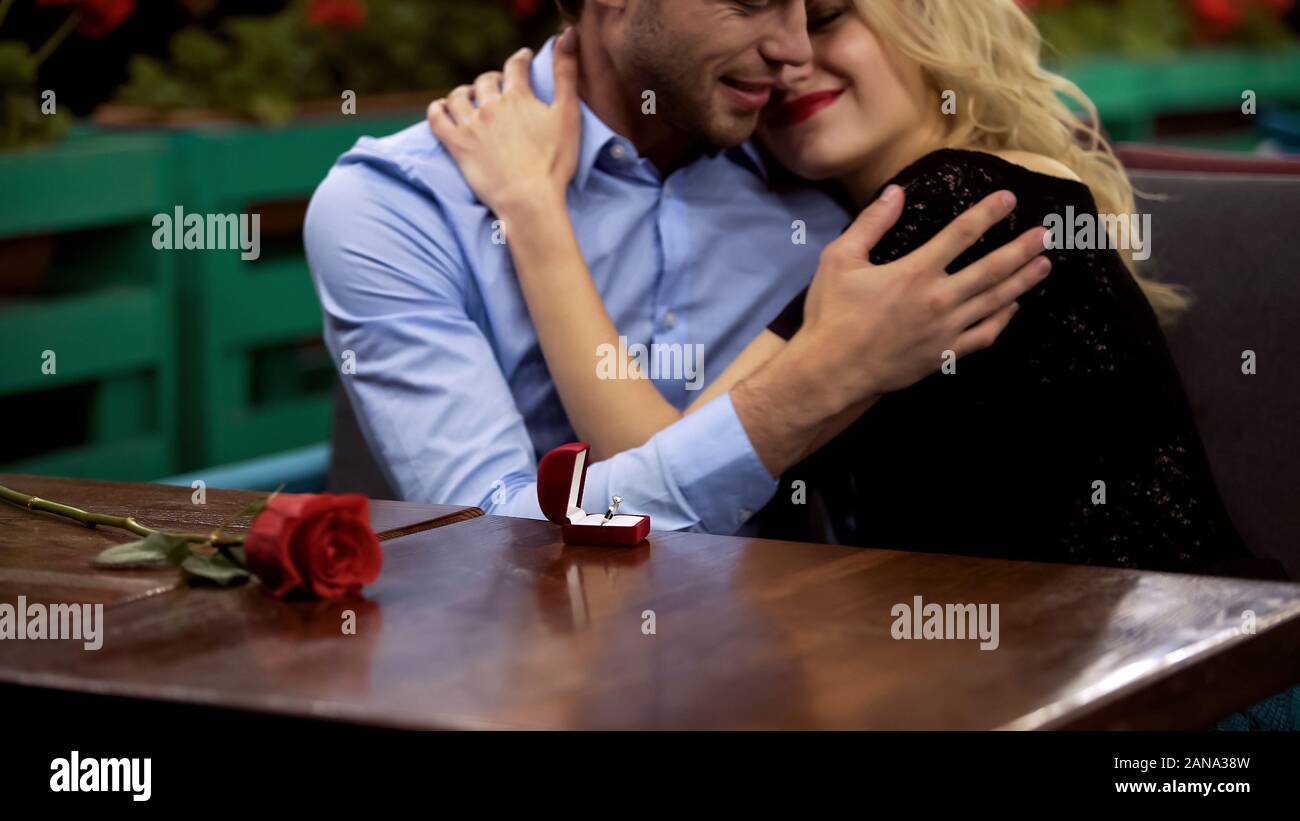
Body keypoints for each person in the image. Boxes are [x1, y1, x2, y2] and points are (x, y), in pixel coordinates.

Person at [426, 0, 1278, 578]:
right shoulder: (913, 213)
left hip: (1192, 708)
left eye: (828, 16)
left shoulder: (953, 206)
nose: (793, 57)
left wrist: (533, 208)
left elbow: (649, 466)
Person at [305, 0, 1045, 535]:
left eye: (813, 10)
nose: (794, 54)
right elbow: (496, 536)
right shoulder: (401, 205)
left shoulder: (822, 164)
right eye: (754, 3)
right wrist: (795, 401)